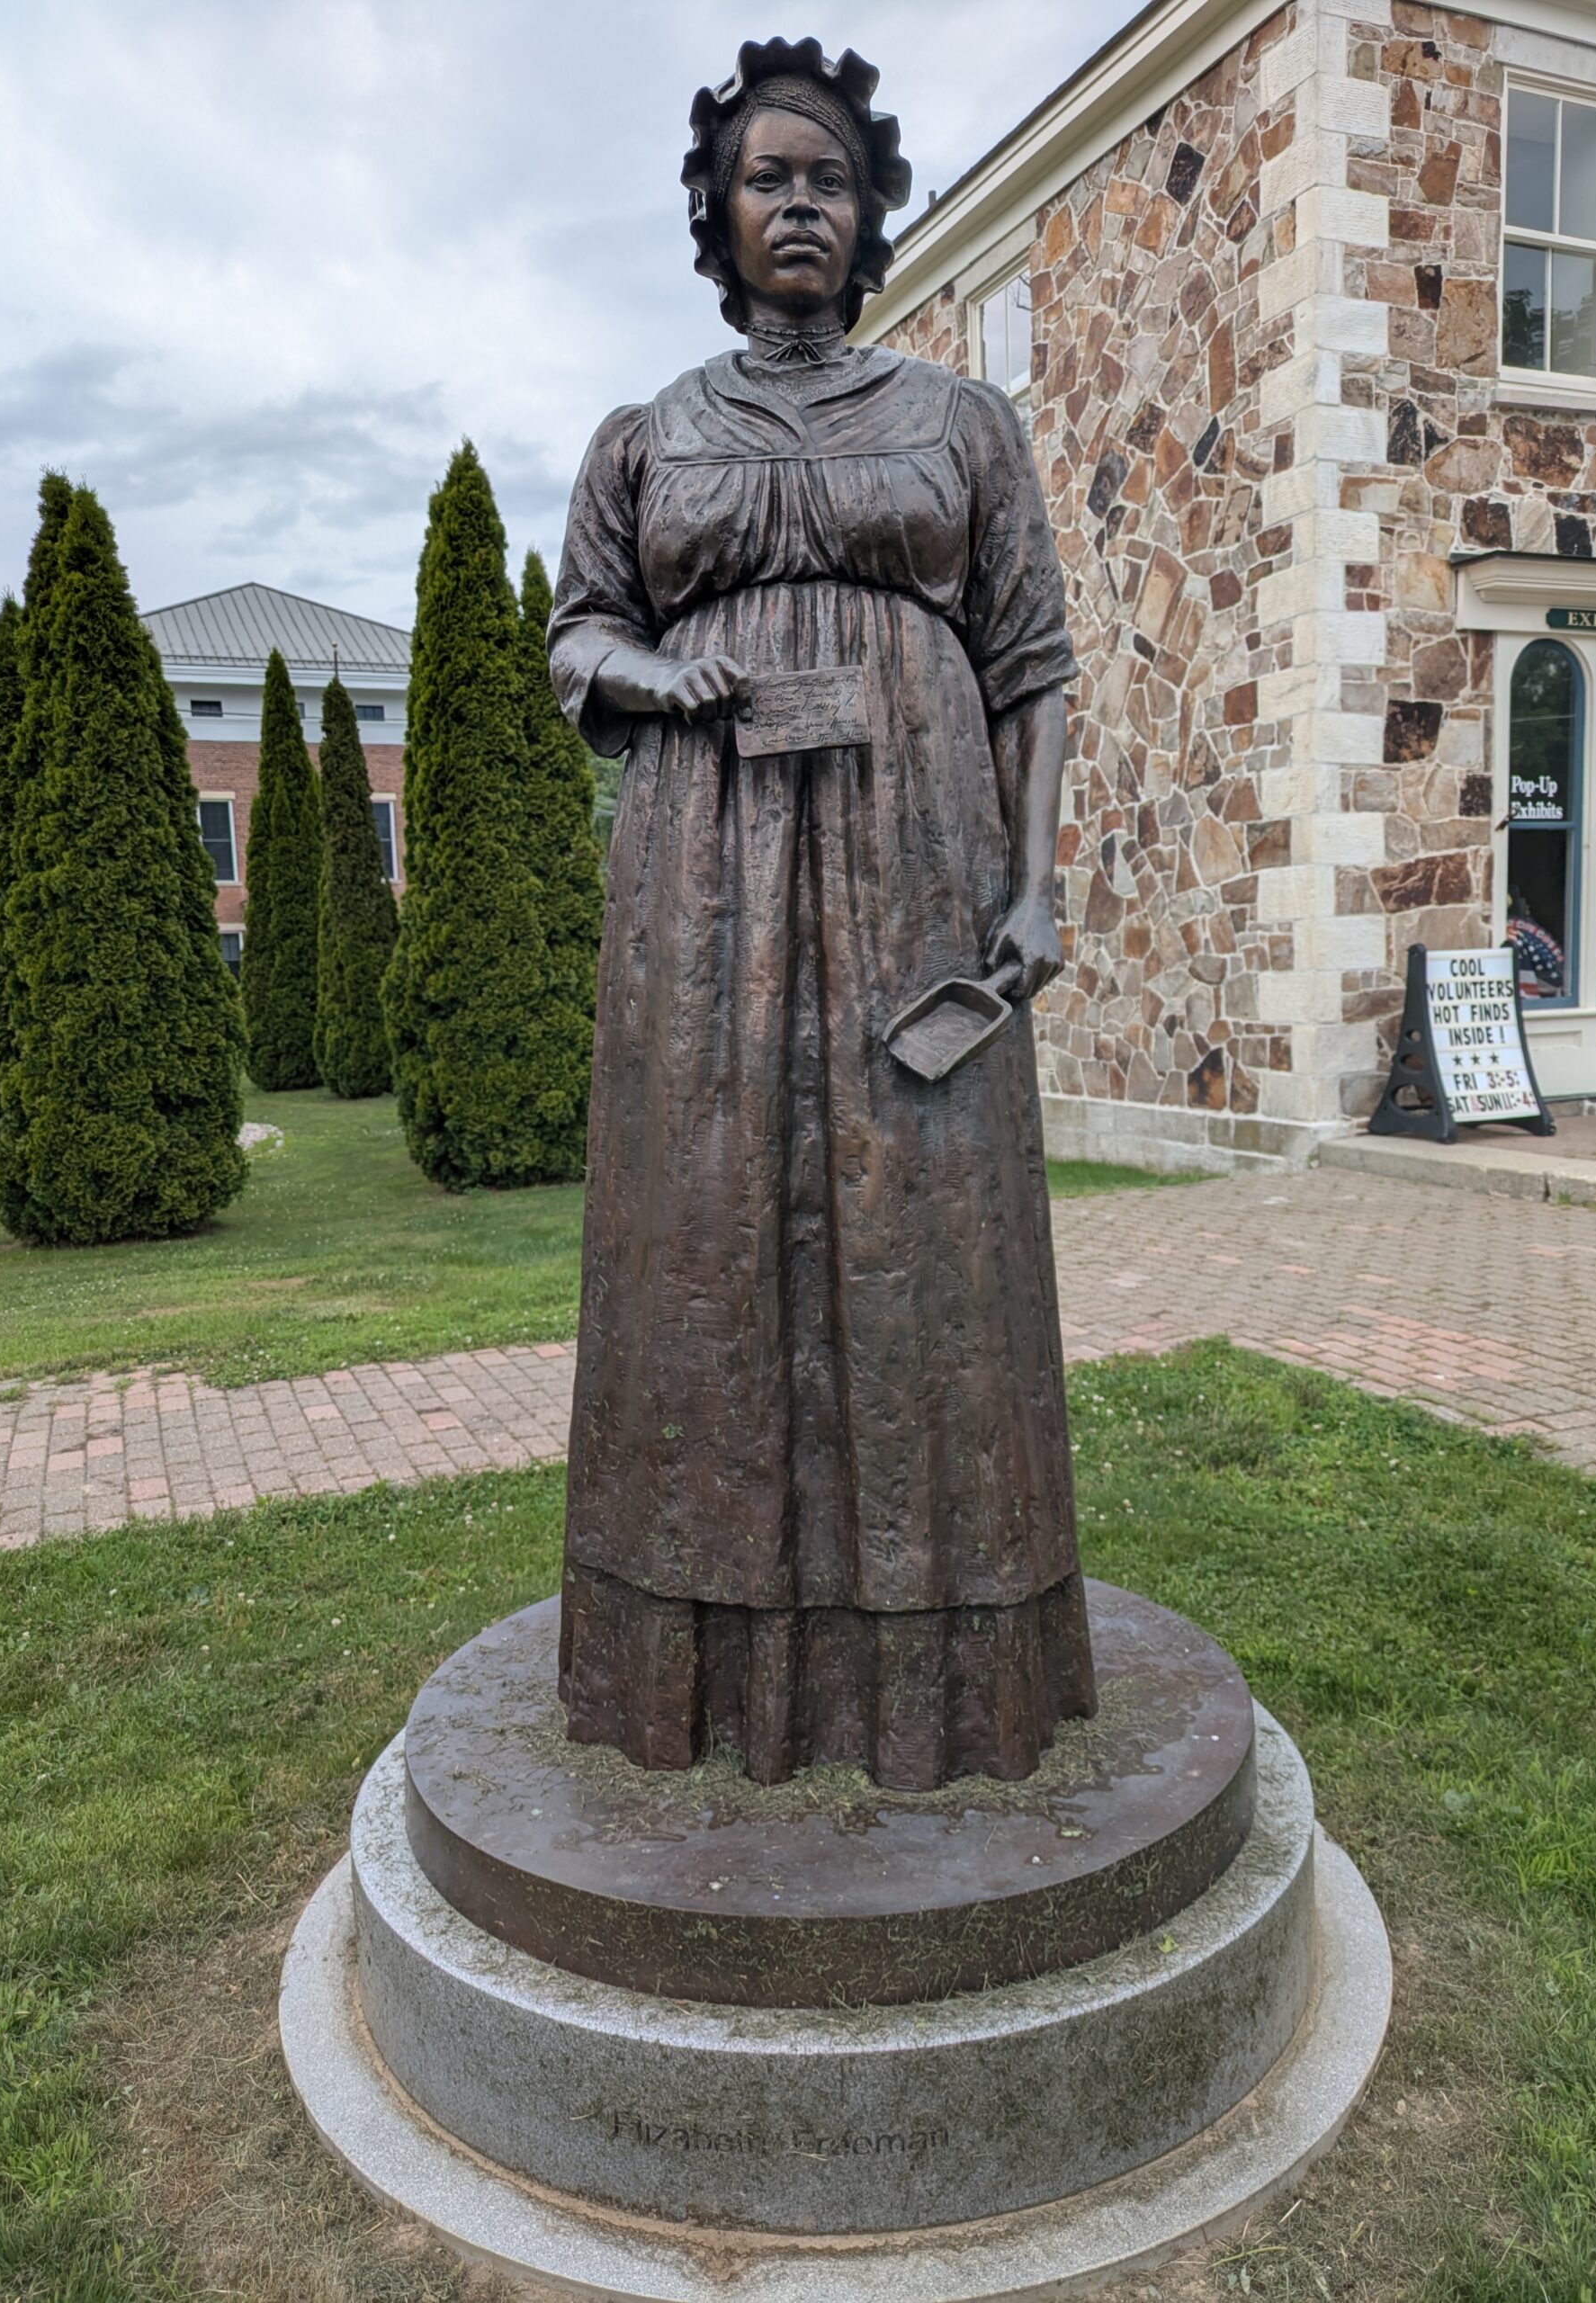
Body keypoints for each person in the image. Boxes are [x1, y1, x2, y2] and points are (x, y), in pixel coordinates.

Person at [547, 36, 1096, 1790]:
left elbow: (1033, 666)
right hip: (702, 890)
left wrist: (1032, 881)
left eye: (831, 180)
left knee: (921, 1236)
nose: (800, 203)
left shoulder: (960, 423)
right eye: (769, 176)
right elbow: (574, 634)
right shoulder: (649, 437)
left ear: (871, 221)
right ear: (719, 209)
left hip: (917, 864)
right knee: (705, 1234)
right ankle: (695, 1672)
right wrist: (655, 666)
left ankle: (947, 1672)